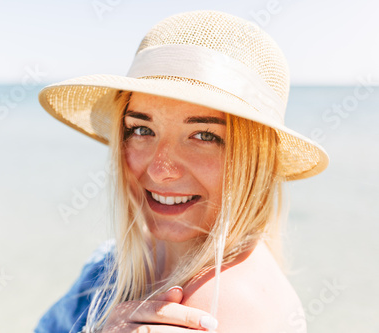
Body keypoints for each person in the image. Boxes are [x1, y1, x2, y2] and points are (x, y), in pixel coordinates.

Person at [34, 10, 328, 333]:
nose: (160, 171)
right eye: (141, 130)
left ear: (255, 160)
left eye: (204, 136)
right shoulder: (112, 266)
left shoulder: (221, 307)